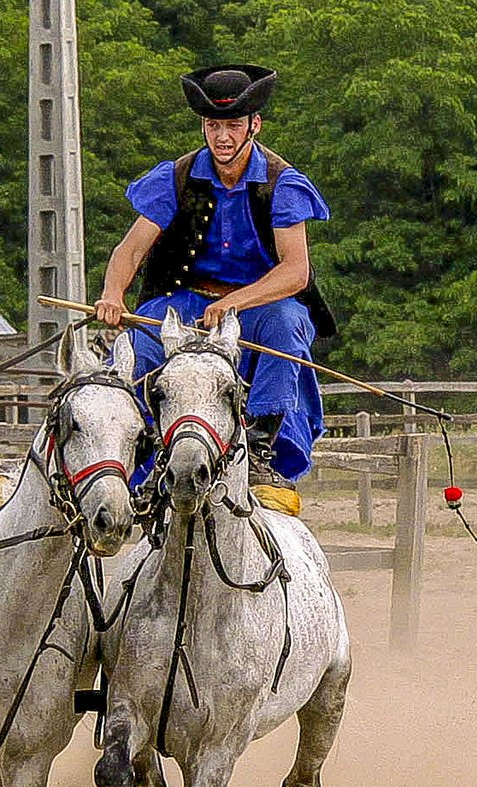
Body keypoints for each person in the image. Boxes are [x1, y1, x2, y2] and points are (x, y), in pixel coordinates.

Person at [94, 63, 336, 500]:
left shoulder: (283, 184)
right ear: (203, 126)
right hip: (187, 302)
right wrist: (113, 294)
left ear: (254, 125)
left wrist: (236, 304)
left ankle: (262, 453)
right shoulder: (176, 177)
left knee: (287, 324)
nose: (222, 137)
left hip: (262, 306)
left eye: (233, 125)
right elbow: (129, 251)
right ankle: (121, 459)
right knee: (136, 346)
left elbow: (295, 272)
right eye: (213, 125)